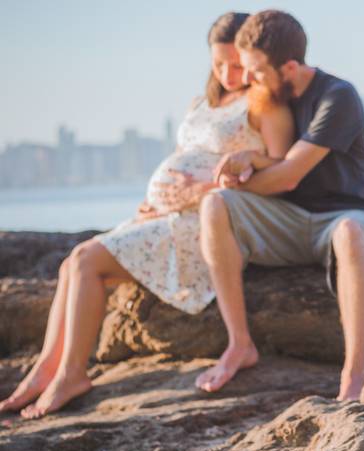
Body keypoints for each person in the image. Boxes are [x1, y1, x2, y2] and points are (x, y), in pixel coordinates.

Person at [0, 12, 293, 418]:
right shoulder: (202, 101)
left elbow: (279, 175)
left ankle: (71, 373)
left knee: (87, 261)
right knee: (73, 263)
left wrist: (198, 190)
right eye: (218, 63)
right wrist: (157, 199)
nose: (227, 72)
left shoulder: (266, 104)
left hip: (205, 225)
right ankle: (45, 369)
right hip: (166, 217)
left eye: (236, 63)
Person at [179, 10, 364, 399]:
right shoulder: (272, 96)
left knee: (350, 231)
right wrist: (248, 163)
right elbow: (277, 167)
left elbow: (290, 173)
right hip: (288, 220)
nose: (248, 79)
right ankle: (239, 343)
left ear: (289, 66)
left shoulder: (337, 96)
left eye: (255, 71)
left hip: (344, 216)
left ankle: (354, 373)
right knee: (216, 204)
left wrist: (251, 169)